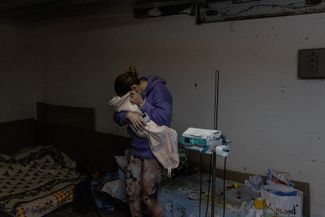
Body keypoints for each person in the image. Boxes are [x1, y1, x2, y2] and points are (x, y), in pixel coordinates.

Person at [113, 66, 173, 217]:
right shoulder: (131, 96)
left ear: (134, 88)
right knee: (131, 192)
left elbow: (164, 119)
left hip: (154, 152)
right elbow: (117, 115)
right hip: (136, 150)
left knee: (148, 196)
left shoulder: (159, 91)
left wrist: (142, 104)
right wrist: (128, 115)